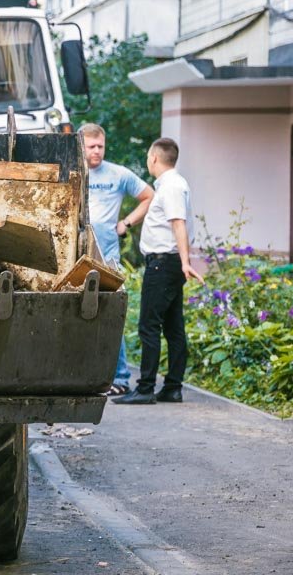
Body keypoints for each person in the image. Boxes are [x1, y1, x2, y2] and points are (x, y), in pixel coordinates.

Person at [114, 137, 204, 405]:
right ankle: (172, 388)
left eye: (147, 157)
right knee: (173, 327)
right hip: (167, 263)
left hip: (163, 264)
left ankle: (145, 388)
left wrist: (185, 262)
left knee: (149, 326)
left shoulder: (172, 186)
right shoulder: (171, 184)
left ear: (153, 158)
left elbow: (178, 224)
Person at [79, 123, 154, 396]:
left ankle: (120, 377)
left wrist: (126, 223)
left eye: (100, 146)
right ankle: (81, 375)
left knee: (112, 316)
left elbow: (149, 196)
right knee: (78, 314)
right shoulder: (73, 170)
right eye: (91, 146)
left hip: (107, 258)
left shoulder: (118, 174)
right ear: (81, 146)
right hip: (77, 256)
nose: (97, 151)